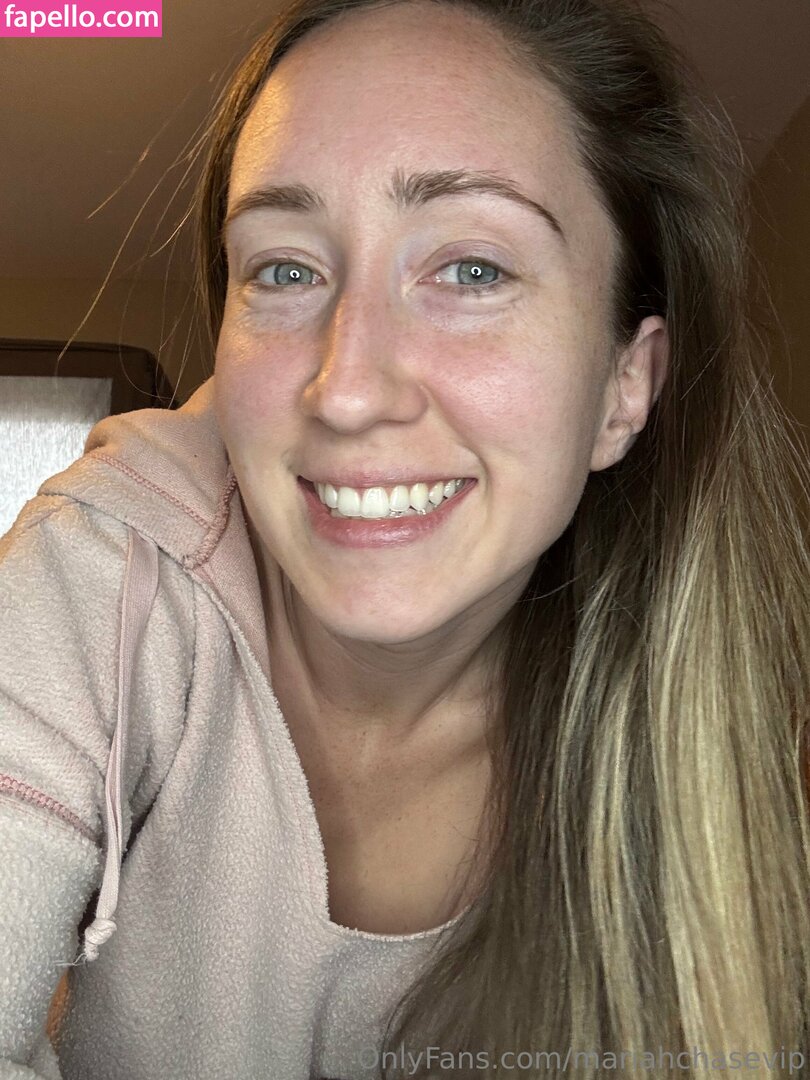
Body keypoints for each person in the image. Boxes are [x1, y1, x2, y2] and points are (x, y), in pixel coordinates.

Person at [2, 0, 809, 1076]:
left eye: (472, 269)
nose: (345, 391)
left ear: (625, 387)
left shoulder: (708, 779)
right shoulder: (111, 566)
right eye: (285, 270)